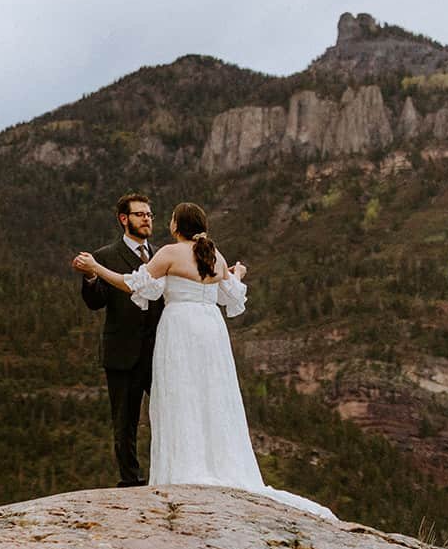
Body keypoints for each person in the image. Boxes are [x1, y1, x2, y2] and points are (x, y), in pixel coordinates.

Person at [73, 202, 334, 520]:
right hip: (211, 333)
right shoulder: (216, 255)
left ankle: (185, 468)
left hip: (181, 329)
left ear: (175, 226)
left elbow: (133, 285)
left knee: (181, 398)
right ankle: (218, 464)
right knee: (213, 396)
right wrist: (237, 273)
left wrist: (96, 269)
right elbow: (231, 292)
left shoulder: (170, 253)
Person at [79, 192, 162, 487]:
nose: (147, 219)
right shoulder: (105, 256)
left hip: (160, 352)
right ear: (124, 219)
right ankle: (131, 480)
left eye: (149, 215)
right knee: (125, 422)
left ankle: (169, 474)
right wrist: (90, 277)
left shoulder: (161, 255)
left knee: (168, 414)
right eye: (141, 214)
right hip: (122, 350)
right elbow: (95, 301)